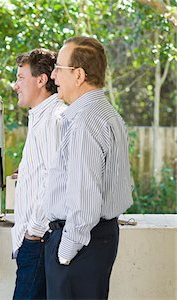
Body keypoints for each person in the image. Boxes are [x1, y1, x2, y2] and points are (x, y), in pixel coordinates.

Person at [44, 36, 133, 299]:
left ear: (79, 74)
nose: (53, 74)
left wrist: (65, 252)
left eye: (59, 68)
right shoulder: (106, 113)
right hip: (96, 240)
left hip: (80, 244)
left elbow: (85, 199)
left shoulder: (86, 121)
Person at [11, 49, 67, 300]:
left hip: (39, 241)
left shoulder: (53, 118)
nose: (15, 86)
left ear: (42, 80)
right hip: (34, 242)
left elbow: (55, 180)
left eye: (21, 78)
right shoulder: (40, 117)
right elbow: (46, 169)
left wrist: (34, 231)